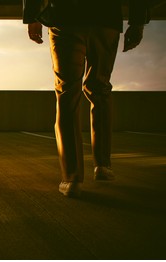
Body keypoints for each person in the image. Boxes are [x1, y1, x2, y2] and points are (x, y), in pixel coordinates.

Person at [23, 0, 150, 197]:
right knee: (100, 90)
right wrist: (137, 22)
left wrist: (32, 16)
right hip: (106, 18)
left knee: (67, 94)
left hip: (65, 16)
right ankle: (103, 166)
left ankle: (72, 177)